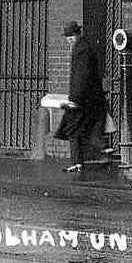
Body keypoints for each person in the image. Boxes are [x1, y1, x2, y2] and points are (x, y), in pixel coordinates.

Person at [54, 21, 106, 172]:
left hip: (81, 100)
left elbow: (81, 77)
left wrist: (74, 100)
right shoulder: (84, 47)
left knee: (72, 129)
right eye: (67, 36)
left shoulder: (81, 50)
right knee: (79, 130)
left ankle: (80, 161)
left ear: (77, 34)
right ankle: (82, 160)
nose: (69, 39)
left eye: (71, 36)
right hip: (87, 99)